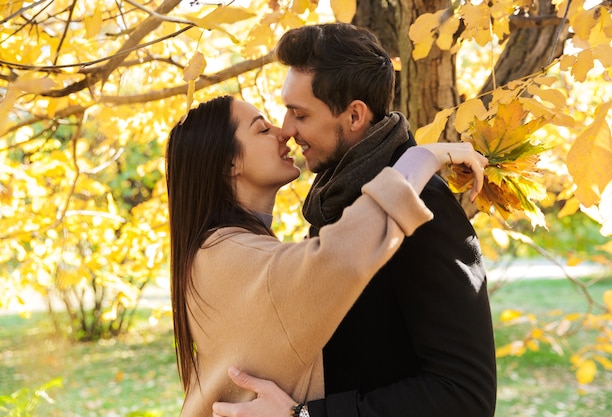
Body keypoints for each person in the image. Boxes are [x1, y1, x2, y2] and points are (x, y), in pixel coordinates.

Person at [212, 23, 498, 417]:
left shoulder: (424, 211)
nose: (288, 129)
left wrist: (308, 415)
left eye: (299, 114)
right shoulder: (335, 207)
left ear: (354, 116)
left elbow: (466, 396)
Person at [166, 94, 488, 417]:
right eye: (262, 129)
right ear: (229, 164)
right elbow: (340, 257)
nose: (284, 132)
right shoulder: (223, 258)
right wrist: (421, 159)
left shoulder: (225, 251)